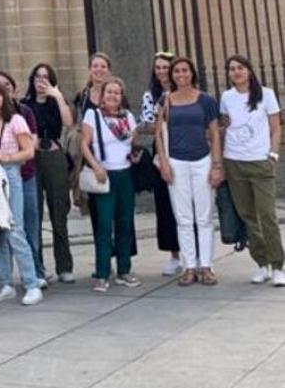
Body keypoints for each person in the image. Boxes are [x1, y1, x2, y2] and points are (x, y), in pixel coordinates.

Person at [155, 58, 223, 286]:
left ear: (192, 73)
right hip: (176, 162)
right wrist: (163, 162)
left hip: (202, 160)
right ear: (172, 75)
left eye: (185, 70)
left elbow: (214, 133)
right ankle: (189, 266)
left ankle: (206, 265)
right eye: (177, 71)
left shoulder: (206, 100)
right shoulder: (166, 101)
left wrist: (216, 165)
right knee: (183, 217)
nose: (181, 74)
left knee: (204, 217)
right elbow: (158, 134)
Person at [220, 55, 284, 285]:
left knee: (266, 214)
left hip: (260, 160)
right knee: (247, 215)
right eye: (232, 69)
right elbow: (225, 126)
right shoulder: (226, 97)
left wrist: (273, 154)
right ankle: (261, 262)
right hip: (234, 161)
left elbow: (276, 127)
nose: (236, 72)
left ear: (249, 70)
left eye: (240, 68)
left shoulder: (266, 94)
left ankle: (278, 264)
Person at [0, 81, 43, 305]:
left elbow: (29, 151)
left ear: (4, 97)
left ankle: (31, 283)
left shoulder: (16, 121)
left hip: (11, 175)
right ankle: (4, 282)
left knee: (15, 229)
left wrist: (6, 157)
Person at [81, 78, 142, 293]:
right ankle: (102, 272)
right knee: (105, 225)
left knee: (125, 223)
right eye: (109, 92)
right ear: (102, 95)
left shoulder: (128, 117)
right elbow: (84, 144)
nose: (113, 96)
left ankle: (124, 269)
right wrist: (96, 166)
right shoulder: (93, 115)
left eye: (117, 92)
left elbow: (133, 143)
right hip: (104, 174)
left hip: (125, 173)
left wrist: (135, 155)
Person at [22, 64, 74, 283]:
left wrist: (58, 95)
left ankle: (64, 266)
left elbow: (69, 123)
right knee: (34, 215)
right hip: (33, 157)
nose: (41, 81)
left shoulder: (56, 102)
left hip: (53, 156)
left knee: (58, 212)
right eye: (37, 77)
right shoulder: (25, 105)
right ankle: (38, 267)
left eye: (46, 77)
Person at [0, 71, 44, 287]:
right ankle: (4, 279)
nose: (2, 90)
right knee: (1, 233)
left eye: (6, 85)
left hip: (24, 176)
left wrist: (8, 158)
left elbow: (31, 146)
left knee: (27, 227)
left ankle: (34, 273)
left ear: (13, 89)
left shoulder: (23, 113)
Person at [142, 52, 185, 277]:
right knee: (166, 205)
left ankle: (192, 251)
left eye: (164, 67)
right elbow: (149, 125)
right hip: (161, 153)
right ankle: (174, 254)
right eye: (157, 67)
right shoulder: (152, 96)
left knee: (187, 203)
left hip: (185, 150)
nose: (161, 71)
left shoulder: (185, 92)